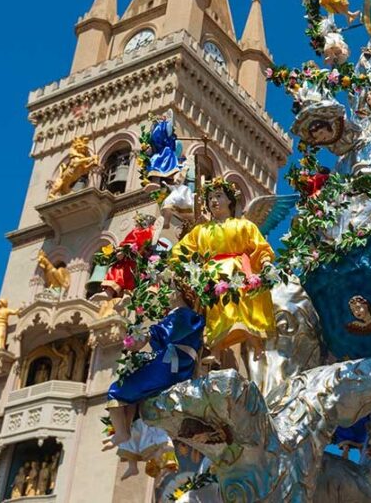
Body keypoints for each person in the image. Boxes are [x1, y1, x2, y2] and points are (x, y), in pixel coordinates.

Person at [171, 178, 276, 372]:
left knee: (244, 299)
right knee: (216, 308)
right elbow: (180, 251)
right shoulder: (200, 231)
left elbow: (259, 247)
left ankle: (255, 342)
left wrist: (266, 264)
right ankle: (216, 349)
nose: (213, 201)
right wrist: (187, 269)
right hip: (212, 275)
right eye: (210, 198)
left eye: (218, 196)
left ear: (229, 200)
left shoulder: (244, 226)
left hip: (238, 270)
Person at [106, 287, 204, 446]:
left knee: (117, 389)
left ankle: (122, 432)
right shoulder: (181, 315)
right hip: (174, 364)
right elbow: (143, 342)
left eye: (169, 290)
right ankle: (125, 431)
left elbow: (165, 333)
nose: (165, 295)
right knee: (129, 384)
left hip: (171, 365)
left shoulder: (184, 314)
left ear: (177, 293)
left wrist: (144, 335)